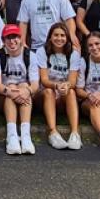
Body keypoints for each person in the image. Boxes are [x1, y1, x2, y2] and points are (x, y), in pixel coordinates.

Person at [0, 24, 39, 155]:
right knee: (12, 87)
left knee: (24, 86)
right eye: (8, 38)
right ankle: (11, 135)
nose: (12, 41)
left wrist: (27, 91)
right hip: (4, 96)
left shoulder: (30, 55)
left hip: (24, 94)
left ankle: (25, 136)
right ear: (3, 40)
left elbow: (35, 84)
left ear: (21, 38)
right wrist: (10, 92)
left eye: (15, 37)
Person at [36, 22, 82, 150]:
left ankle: (74, 133)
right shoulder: (42, 51)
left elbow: (72, 81)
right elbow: (44, 79)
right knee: (49, 91)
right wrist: (56, 86)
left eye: (62, 35)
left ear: (67, 37)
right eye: (56, 35)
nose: (59, 38)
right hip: (46, 93)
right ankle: (53, 132)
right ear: (50, 37)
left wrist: (66, 86)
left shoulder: (73, 53)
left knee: (71, 92)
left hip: (63, 94)